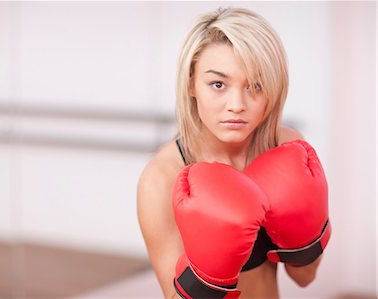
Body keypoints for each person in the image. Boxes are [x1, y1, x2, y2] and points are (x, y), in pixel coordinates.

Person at [137, 7, 330, 299]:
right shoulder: (162, 178)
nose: (237, 104)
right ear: (191, 83)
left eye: (255, 85)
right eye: (218, 84)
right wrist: (210, 264)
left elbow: (305, 276)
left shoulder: (287, 147)